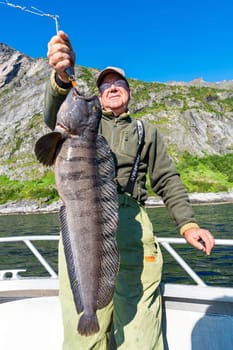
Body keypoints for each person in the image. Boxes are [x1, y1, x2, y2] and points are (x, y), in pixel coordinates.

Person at [44, 31, 215, 350]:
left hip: (134, 225)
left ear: (129, 92)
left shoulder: (147, 132)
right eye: (104, 85)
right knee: (85, 327)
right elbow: (53, 112)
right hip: (83, 222)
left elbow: (167, 179)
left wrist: (188, 224)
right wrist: (60, 78)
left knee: (141, 329)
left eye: (118, 83)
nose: (111, 88)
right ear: (97, 96)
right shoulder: (80, 124)